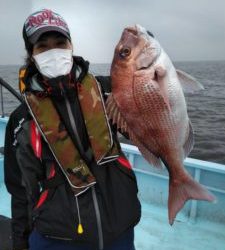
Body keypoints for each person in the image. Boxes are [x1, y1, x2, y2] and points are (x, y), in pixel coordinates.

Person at [4, 9, 141, 250]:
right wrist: (20, 242)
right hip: (56, 237)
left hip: (119, 227)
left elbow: (142, 127)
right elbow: (20, 190)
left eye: (59, 42)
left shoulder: (106, 90)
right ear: (31, 54)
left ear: (70, 45)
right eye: (43, 46)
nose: (53, 51)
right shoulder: (22, 120)